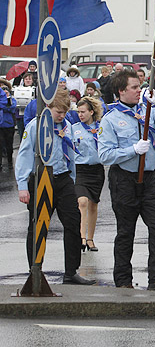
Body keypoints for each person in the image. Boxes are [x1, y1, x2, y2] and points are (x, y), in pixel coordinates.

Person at [98, 69, 155, 291]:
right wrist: (132, 150)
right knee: (126, 231)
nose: (139, 91)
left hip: (150, 177)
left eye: (140, 86)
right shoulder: (110, 119)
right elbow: (104, 155)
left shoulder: (148, 111)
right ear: (121, 91)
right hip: (124, 178)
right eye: (134, 87)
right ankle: (123, 280)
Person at [16, 89, 94, 285]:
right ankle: (35, 270)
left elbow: (70, 152)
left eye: (65, 112)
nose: (62, 115)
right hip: (41, 178)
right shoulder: (36, 126)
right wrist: (22, 185)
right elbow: (24, 155)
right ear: (48, 108)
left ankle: (71, 272)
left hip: (63, 177)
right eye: (58, 111)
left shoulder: (66, 125)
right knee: (38, 226)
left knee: (73, 222)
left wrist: (72, 178)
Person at [72, 96, 105, 253]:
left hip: (96, 169)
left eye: (83, 112)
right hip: (80, 169)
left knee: (93, 204)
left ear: (91, 112)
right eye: (78, 112)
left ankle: (90, 238)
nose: (80, 115)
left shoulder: (101, 128)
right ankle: (81, 237)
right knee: (82, 201)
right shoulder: (74, 128)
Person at [0, 79, 17, 170]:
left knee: (9, 145)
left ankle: (10, 162)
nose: (6, 95)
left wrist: (4, 106)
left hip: (9, 125)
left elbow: (11, 108)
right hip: (1, 125)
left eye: (7, 93)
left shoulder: (12, 100)